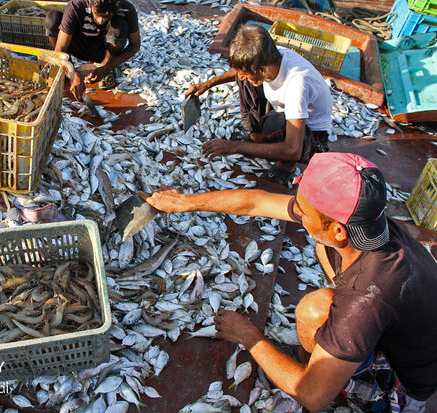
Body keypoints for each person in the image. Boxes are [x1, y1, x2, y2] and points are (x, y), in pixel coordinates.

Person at [143, 152, 437, 412]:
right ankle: (335, 356)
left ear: (337, 229)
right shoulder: (368, 223)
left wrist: (250, 337)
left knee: (313, 311)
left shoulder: (368, 296)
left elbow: (312, 397)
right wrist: (183, 203)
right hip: (392, 325)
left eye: (304, 212)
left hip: (403, 383)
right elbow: (253, 202)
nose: (296, 213)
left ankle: (341, 375)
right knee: (321, 250)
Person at [187, 24, 332, 186]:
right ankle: (258, 137)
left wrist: (235, 147)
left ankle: (287, 165)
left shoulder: (296, 84)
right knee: (245, 81)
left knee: (274, 123)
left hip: (310, 138)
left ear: (262, 70)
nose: (242, 76)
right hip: (283, 111)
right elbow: (239, 72)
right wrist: (208, 84)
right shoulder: (271, 56)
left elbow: (294, 148)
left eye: (248, 73)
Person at [45, 0, 140, 100]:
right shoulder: (76, 5)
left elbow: (135, 45)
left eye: (106, 17)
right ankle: (66, 70)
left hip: (104, 51)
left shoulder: (127, 8)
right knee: (52, 19)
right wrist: (73, 74)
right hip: (79, 45)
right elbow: (60, 49)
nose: (100, 21)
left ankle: (106, 65)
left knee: (120, 26)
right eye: (97, 14)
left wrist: (106, 68)